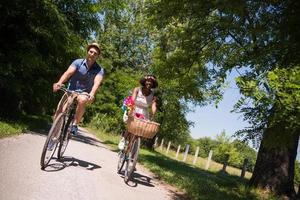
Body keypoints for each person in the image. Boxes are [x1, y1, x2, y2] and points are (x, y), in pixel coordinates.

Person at [52, 42, 105, 135]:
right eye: (91, 51)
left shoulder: (99, 70)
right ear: (87, 51)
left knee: (82, 100)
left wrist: (92, 93)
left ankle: (75, 124)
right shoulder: (78, 62)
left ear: (98, 56)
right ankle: (54, 136)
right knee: (60, 111)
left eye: (95, 53)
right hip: (71, 90)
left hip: (84, 93)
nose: (92, 54)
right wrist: (59, 83)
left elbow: (97, 82)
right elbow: (68, 73)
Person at [118, 75, 158, 150]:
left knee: (140, 129)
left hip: (144, 112)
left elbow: (153, 106)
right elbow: (132, 100)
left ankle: (133, 146)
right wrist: (131, 110)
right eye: (148, 81)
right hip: (134, 107)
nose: (149, 83)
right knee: (131, 126)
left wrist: (153, 114)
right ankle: (123, 139)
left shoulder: (153, 95)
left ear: (153, 84)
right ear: (144, 82)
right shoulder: (137, 89)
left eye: (151, 82)